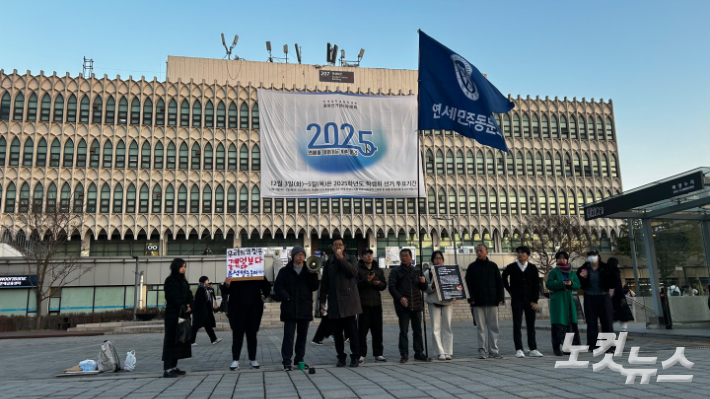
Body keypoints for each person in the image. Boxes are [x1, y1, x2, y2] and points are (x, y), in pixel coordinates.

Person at [274, 246, 320, 371]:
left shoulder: (309, 270)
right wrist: (287, 298)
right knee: (289, 335)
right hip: (290, 308)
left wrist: (314, 275)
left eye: (302, 254)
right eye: (298, 254)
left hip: (304, 308)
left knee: (302, 336)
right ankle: (287, 361)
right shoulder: (285, 271)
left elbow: (314, 287)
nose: (300, 256)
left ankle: (299, 359)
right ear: (293, 256)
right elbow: (278, 287)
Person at [320, 238, 362, 367]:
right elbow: (324, 283)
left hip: (349, 301)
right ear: (332, 248)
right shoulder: (328, 263)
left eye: (340, 244)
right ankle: (341, 357)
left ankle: (355, 357)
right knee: (337, 334)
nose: (338, 246)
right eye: (335, 245)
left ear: (343, 247)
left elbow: (353, 272)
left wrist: (341, 259)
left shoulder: (351, 259)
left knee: (352, 331)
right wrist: (322, 300)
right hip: (334, 302)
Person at [502, 246, 543, 358]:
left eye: (523, 253)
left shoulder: (532, 268)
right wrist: (510, 290)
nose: (520, 255)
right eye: (519, 253)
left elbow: (536, 285)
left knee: (531, 325)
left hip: (530, 300)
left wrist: (535, 300)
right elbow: (503, 277)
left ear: (527, 255)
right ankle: (519, 349)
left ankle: (533, 348)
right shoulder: (512, 267)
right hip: (517, 299)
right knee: (517, 324)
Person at [388, 248, 428, 363]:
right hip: (403, 306)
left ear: (411, 257)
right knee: (403, 331)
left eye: (406, 256)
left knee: (417, 330)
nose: (404, 258)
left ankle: (419, 352)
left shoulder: (417, 271)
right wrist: (400, 298)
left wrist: (423, 282)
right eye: (402, 256)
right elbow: (392, 287)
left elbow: (424, 288)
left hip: (416, 304)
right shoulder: (395, 271)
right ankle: (404, 354)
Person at [465, 244, 504, 360]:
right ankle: (482, 351)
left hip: (492, 301)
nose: (479, 253)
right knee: (480, 328)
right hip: (477, 302)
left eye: (481, 251)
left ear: (487, 252)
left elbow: (499, 283)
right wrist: (470, 299)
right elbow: (468, 285)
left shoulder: (493, 266)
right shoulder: (472, 267)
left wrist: (500, 298)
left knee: (494, 327)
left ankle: (494, 350)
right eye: (477, 251)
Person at [224, 274, 271, 371]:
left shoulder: (256, 271)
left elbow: (267, 285)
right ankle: (235, 360)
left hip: (254, 308)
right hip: (237, 308)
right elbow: (225, 291)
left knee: (252, 334)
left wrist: (264, 295)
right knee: (237, 335)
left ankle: (253, 359)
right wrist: (227, 284)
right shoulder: (234, 272)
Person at [577, 249, 618, 350]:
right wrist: (582, 277)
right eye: (590, 255)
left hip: (603, 296)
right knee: (591, 322)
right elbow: (577, 282)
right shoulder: (584, 268)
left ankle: (609, 346)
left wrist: (607, 283)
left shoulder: (606, 267)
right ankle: (592, 344)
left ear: (598, 256)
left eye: (594, 255)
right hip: (589, 297)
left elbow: (614, 281)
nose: (592, 257)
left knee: (607, 322)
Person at [162, 258, 194, 378]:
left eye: (185, 267)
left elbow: (189, 295)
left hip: (183, 315)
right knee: (170, 340)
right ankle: (167, 368)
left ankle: (174, 366)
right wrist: (183, 306)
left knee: (179, 340)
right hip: (173, 315)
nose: (183, 269)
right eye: (181, 266)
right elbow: (171, 297)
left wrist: (190, 306)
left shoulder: (184, 282)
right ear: (175, 267)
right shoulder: (170, 280)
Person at [546, 251, 581, 356]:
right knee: (558, 323)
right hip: (558, 300)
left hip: (568, 299)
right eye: (560, 258)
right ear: (556, 260)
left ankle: (567, 347)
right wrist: (560, 283)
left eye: (564, 258)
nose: (562, 260)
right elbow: (549, 284)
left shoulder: (572, 272)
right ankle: (556, 347)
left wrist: (571, 283)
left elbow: (578, 285)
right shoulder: (553, 272)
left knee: (570, 323)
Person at [356, 248, 388, 363]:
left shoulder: (378, 270)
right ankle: (361, 353)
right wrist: (367, 280)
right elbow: (356, 286)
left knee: (377, 330)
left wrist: (378, 284)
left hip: (376, 304)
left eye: (370, 254)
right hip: (364, 304)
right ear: (362, 256)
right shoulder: (358, 270)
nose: (369, 256)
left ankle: (378, 353)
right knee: (362, 331)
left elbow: (384, 285)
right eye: (366, 254)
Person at [424, 251, 455, 361]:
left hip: (447, 302)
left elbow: (454, 285)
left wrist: (455, 294)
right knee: (435, 328)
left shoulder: (448, 271)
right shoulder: (428, 272)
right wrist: (431, 285)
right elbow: (425, 289)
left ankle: (448, 351)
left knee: (447, 327)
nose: (438, 260)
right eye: (436, 258)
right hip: (434, 301)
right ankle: (440, 352)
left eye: (440, 258)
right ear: (432, 260)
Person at [190, 276, 222, 346]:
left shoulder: (205, 289)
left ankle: (214, 339)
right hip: (200, 312)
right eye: (207, 280)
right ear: (204, 281)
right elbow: (198, 301)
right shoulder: (201, 289)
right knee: (195, 326)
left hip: (205, 311)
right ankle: (191, 341)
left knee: (208, 326)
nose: (208, 281)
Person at [607, 258, 634, 332]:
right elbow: (618, 285)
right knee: (623, 316)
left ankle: (606, 330)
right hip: (618, 297)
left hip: (608, 297)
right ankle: (623, 332)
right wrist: (622, 297)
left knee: (611, 316)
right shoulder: (615, 272)